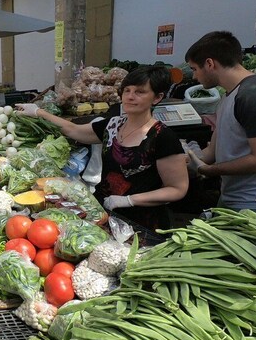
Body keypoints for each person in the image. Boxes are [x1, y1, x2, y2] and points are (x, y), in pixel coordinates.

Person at [18, 65, 189, 230]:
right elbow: (73, 130)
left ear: (157, 97)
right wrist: (38, 112)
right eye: (127, 90)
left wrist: (129, 200)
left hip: (143, 222)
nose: (130, 96)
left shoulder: (163, 137)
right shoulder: (112, 126)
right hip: (104, 213)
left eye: (140, 92)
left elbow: (177, 189)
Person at [184, 31, 256, 215]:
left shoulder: (254, 95)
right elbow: (214, 151)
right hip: (235, 199)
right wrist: (185, 160)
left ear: (209, 63)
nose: (193, 77)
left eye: (194, 69)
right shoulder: (230, 95)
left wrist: (210, 170)